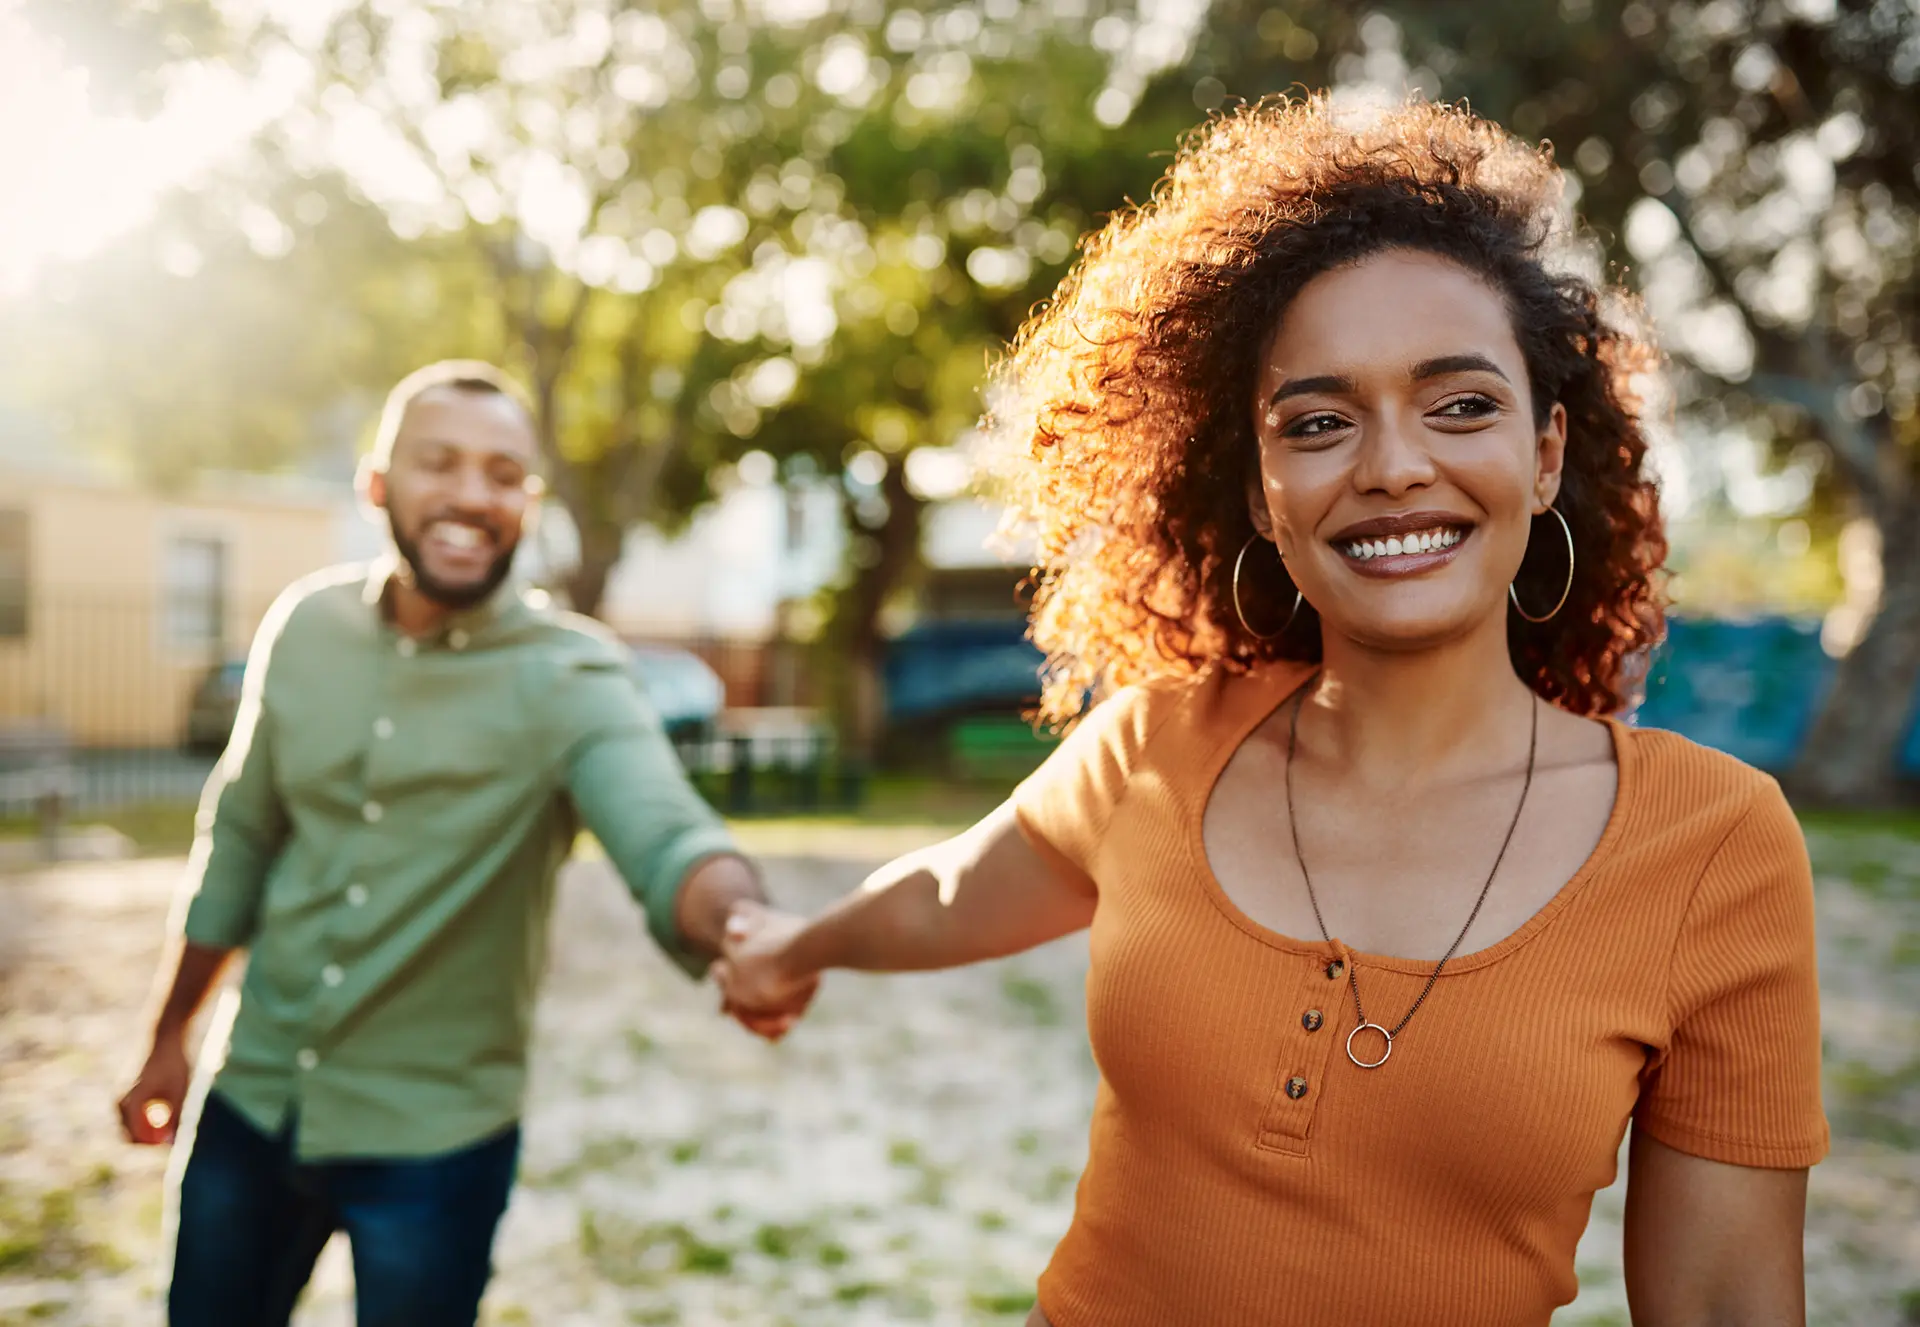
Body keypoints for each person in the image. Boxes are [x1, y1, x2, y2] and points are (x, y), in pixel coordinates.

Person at [715, 98, 1827, 1326]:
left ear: (1550, 453)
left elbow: (1728, 1302)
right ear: (1260, 489)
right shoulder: (1158, 744)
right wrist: (789, 948)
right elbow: (943, 893)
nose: (1394, 463)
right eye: (1319, 422)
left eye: (1461, 404)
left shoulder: (1715, 847)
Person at [115, 360, 795, 1327]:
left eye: (503, 473)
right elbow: (241, 838)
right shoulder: (305, 627)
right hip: (251, 1099)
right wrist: (165, 1038)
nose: (472, 495)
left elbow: (667, 833)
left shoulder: (574, 674)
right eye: (439, 463)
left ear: (529, 500)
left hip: (435, 1144)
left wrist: (740, 921)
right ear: (377, 484)